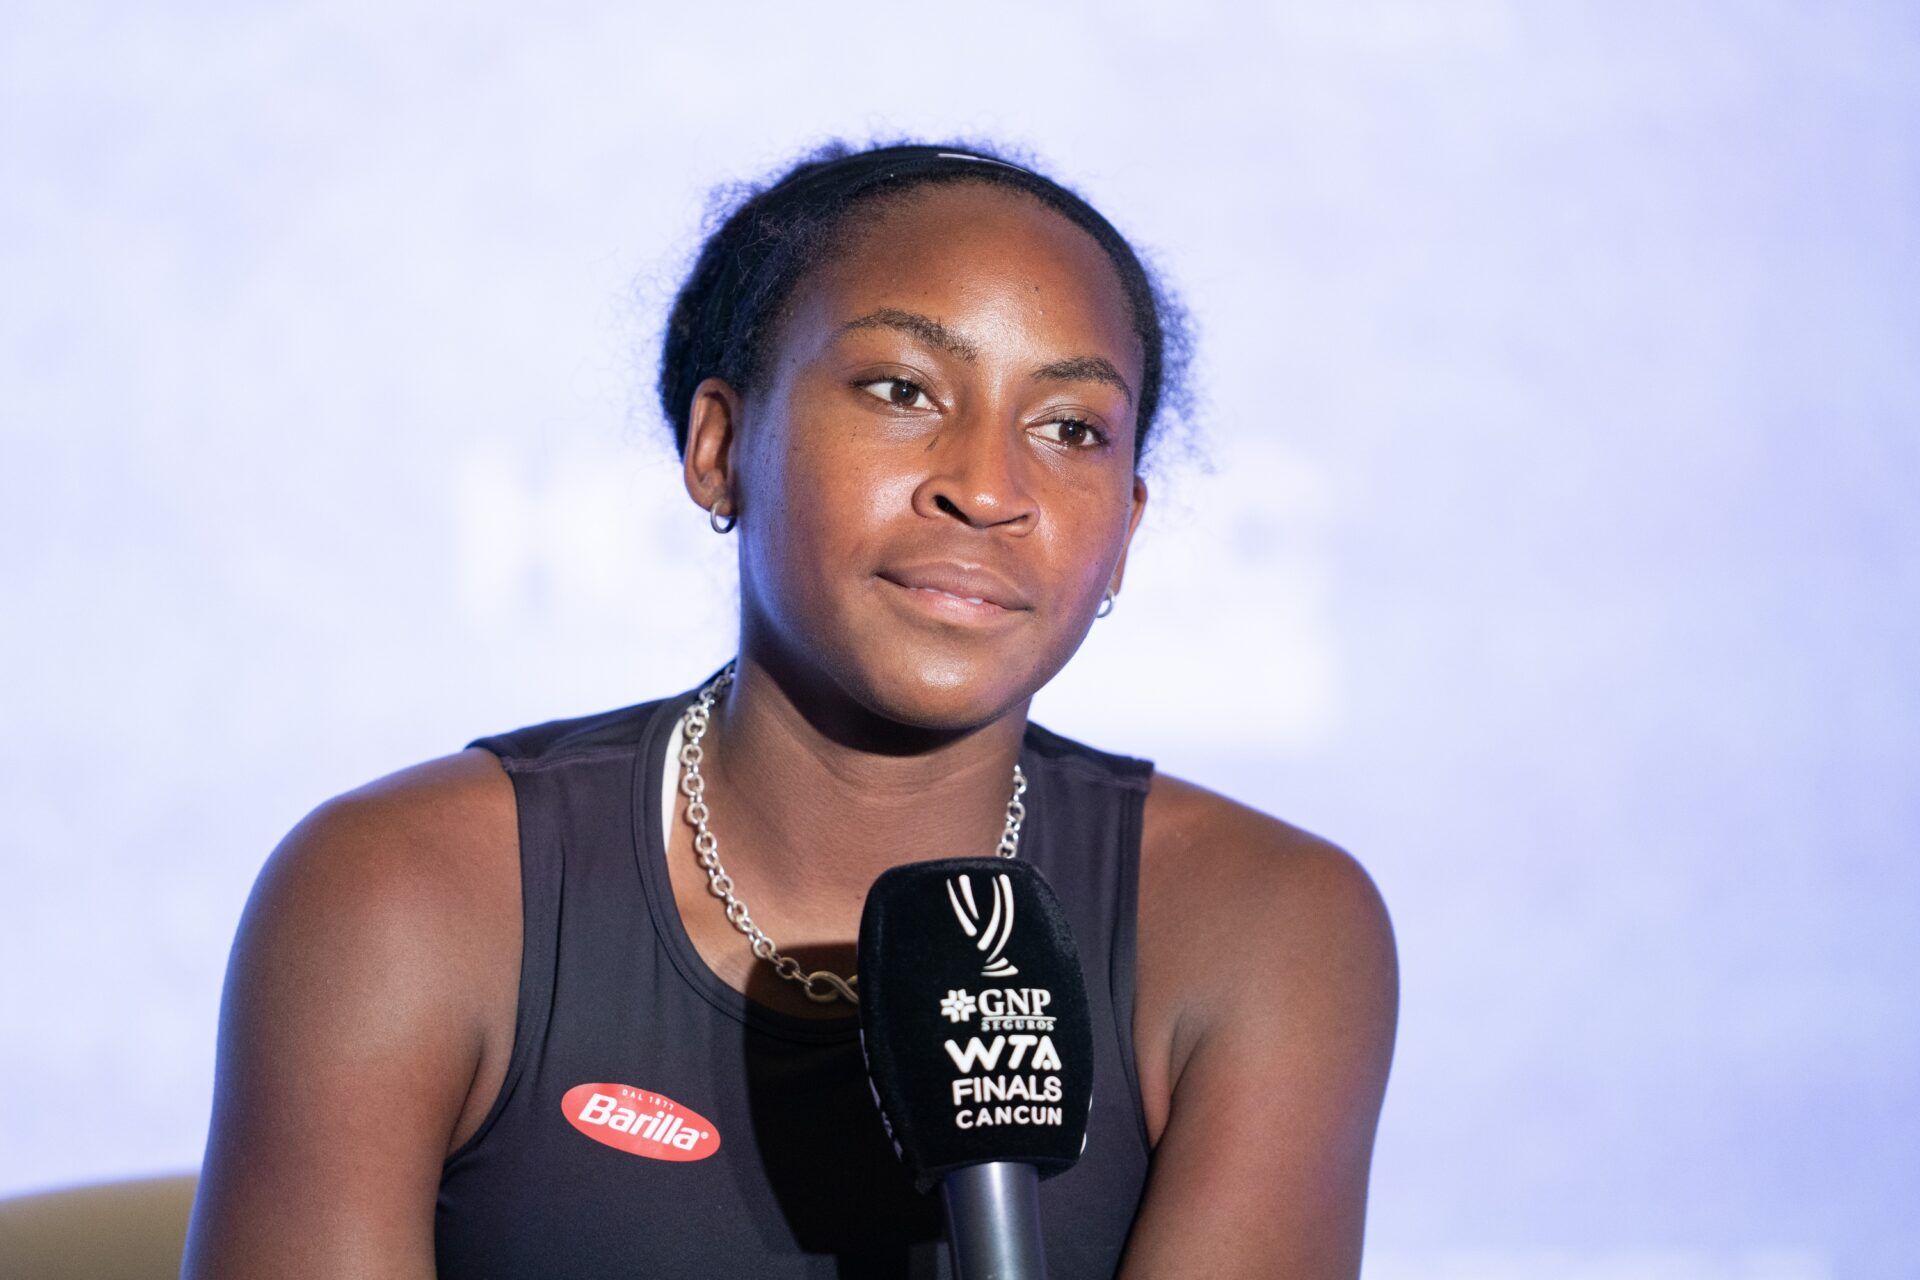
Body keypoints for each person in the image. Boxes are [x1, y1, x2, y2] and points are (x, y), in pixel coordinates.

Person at [181, 139, 1399, 1279]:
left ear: (1126, 531)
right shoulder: (405, 893)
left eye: (1069, 427)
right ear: (719, 443)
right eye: (901, 388)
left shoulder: (1267, 925)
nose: (987, 487)